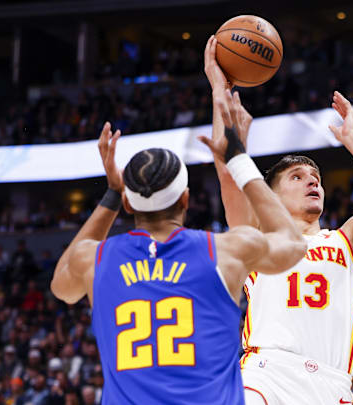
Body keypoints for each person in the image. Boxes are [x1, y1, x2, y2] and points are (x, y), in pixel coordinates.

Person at [50, 88, 307, 404]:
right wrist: (238, 159)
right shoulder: (226, 251)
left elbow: (62, 286)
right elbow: (293, 243)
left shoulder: (93, 259)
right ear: (185, 199)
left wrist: (112, 194)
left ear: (129, 205)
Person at [202, 35, 353, 405]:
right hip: (266, 373)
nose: (311, 181)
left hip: (331, 386)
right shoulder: (259, 241)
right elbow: (226, 174)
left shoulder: (350, 238)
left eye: (314, 177)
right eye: (296, 178)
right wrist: (219, 89)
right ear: (272, 196)